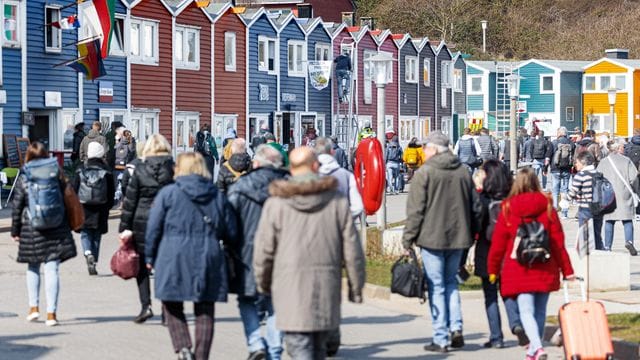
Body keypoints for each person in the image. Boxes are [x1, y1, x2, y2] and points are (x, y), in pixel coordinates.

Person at [253, 147, 366, 360]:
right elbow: (352, 248)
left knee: (299, 348)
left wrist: (263, 283)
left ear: (291, 169)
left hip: (289, 287)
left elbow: (264, 250)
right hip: (325, 287)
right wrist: (355, 286)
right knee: (318, 350)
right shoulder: (337, 202)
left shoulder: (276, 203)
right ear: (315, 167)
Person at [145, 152, 238, 360]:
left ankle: (183, 347)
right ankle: (201, 356)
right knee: (205, 308)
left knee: (170, 302)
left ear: (179, 169)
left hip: (173, 254)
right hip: (209, 254)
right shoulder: (216, 195)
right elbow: (231, 230)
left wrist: (149, 257)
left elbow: (153, 228)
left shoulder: (168, 194)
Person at [402, 131, 480, 353]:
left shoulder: (425, 173)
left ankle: (441, 337)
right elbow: (475, 207)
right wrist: (471, 234)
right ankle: (456, 328)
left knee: (436, 286)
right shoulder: (463, 172)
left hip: (432, 238)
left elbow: (416, 210)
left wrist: (408, 239)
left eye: (425, 147)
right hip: (458, 238)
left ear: (434, 149)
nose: (423, 151)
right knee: (451, 284)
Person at [488, 167, 575, 360]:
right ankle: (533, 349)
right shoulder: (548, 205)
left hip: (519, 266)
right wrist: (567, 270)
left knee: (525, 310)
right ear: (536, 182)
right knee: (540, 311)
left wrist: (493, 270)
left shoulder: (508, 207)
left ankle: (536, 348)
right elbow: (557, 242)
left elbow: (499, 244)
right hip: (545, 264)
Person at [227, 145, 288, 360]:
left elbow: (229, 223)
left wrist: (230, 247)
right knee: (277, 304)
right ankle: (274, 350)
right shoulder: (291, 186)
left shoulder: (240, 186)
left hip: (247, 254)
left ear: (256, 163)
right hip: (283, 254)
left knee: (247, 300)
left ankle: (255, 344)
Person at [11, 142, 77, 326]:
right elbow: (69, 197)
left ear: (29, 156)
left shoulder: (25, 174)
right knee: (52, 268)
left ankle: (33, 309)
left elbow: (18, 204)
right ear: (46, 155)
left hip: (32, 226)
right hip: (56, 226)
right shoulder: (57, 172)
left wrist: (15, 230)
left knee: (33, 267)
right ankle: (51, 314)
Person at [119, 134, 175, 324]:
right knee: (165, 267)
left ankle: (146, 306)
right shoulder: (173, 169)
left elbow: (130, 200)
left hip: (141, 222)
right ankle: (167, 309)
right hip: (167, 222)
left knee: (141, 267)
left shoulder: (140, 170)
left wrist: (124, 227)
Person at [474, 160, 528, 349]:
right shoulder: (512, 197)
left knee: (490, 296)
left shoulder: (483, 198)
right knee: (508, 292)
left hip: (487, 251)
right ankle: (516, 323)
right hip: (509, 251)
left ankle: (496, 337)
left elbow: (477, 225)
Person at [71, 142, 115, 276]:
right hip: (101, 206)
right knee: (97, 235)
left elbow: (74, 189)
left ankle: (87, 253)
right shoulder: (106, 170)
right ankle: (94, 260)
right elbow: (111, 191)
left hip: (84, 206)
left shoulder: (81, 169)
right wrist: (109, 205)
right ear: (101, 154)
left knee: (85, 233)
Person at [596, 141, 638, 255]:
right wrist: (636, 191)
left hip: (609, 195)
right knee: (627, 219)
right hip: (624, 193)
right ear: (618, 148)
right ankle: (629, 241)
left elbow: (597, 179)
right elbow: (634, 178)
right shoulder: (626, 161)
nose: (624, 148)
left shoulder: (603, 162)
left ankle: (608, 246)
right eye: (622, 147)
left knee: (609, 220)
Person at [315, 137, 364, 218]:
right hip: (341, 218)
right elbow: (358, 206)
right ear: (332, 152)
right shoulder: (347, 176)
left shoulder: (311, 175)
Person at [567, 151, 604, 249]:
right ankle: (601, 253)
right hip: (599, 207)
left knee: (584, 234)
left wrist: (566, 200)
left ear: (583, 162)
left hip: (585, 208)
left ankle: (585, 257)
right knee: (597, 234)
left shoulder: (581, 175)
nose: (575, 165)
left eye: (577, 162)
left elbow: (573, 192)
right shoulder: (599, 174)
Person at [550, 127, 575, 218]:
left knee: (555, 191)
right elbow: (574, 157)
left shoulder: (554, 143)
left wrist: (547, 167)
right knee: (565, 190)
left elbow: (549, 155)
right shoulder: (571, 143)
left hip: (555, 169)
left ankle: (555, 212)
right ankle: (565, 213)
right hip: (567, 169)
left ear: (559, 133)